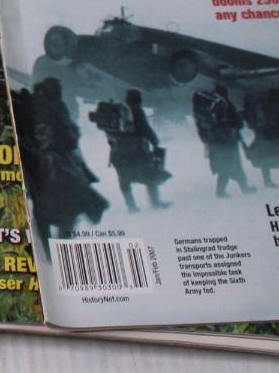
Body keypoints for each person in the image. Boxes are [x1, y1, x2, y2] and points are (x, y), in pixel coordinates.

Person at [19, 78, 108, 259]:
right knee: (70, 205)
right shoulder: (55, 107)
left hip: (32, 162)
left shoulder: (26, 105)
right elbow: (69, 137)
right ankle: (60, 253)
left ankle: (49, 254)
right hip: (56, 161)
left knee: (41, 209)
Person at [94, 89, 170, 211]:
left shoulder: (119, 111)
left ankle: (131, 207)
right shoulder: (136, 110)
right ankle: (155, 202)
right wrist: (155, 141)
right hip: (137, 150)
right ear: (139, 99)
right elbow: (145, 128)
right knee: (150, 175)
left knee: (124, 179)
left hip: (117, 151)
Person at [193, 82, 253, 197]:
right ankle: (240, 189)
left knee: (226, 166)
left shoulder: (212, 106)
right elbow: (236, 122)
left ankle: (228, 190)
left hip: (218, 142)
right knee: (232, 165)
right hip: (228, 140)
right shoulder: (225, 104)